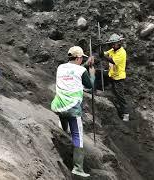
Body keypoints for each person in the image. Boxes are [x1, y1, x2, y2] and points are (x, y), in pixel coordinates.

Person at [51, 46, 95, 177]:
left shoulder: (60, 67)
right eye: (81, 58)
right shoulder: (82, 70)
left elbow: (74, 71)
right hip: (72, 109)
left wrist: (85, 65)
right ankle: (78, 168)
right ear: (78, 58)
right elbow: (90, 86)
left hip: (58, 106)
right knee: (78, 136)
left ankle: (63, 130)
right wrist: (92, 75)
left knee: (64, 115)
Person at [98, 33, 129, 121]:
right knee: (98, 73)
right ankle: (95, 89)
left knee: (120, 95)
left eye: (114, 44)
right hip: (111, 74)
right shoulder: (113, 50)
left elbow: (112, 61)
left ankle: (125, 113)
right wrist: (100, 48)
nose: (112, 45)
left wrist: (103, 56)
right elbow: (102, 54)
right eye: (111, 44)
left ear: (119, 43)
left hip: (119, 78)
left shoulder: (122, 52)